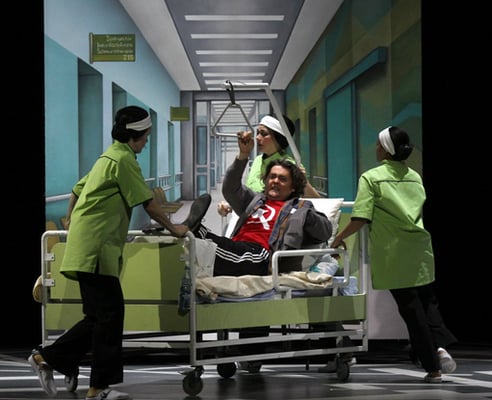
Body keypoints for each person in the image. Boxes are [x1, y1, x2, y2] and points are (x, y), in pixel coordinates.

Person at [28, 105, 211, 400]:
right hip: (96, 249)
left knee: (98, 317)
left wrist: (71, 218)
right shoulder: (124, 160)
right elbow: (149, 204)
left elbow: (77, 189)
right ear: (136, 135)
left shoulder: (107, 157)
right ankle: (94, 385)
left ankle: (50, 358)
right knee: (110, 316)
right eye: (146, 136)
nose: (147, 142)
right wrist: (175, 228)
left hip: (85, 247)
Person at [330, 125, 457, 383]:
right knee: (428, 303)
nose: (376, 148)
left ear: (386, 149)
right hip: (420, 248)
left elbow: (361, 217)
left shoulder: (371, 178)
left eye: (379, 144)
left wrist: (338, 237)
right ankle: (440, 347)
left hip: (394, 253)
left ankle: (433, 367)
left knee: (412, 311)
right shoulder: (415, 177)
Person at [195, 157, 332, 276]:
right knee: (207, 243)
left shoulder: (300, 208)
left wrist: (303, 216)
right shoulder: (254, 201)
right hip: (237, 247)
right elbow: (230, 189)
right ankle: (195, 230)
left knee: (210, 248)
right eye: (272, 177)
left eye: (282, 179)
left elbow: (325, 231)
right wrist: (242, 157)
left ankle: (195, 231)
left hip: (261, 256)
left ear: (293, 188)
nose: (275, 181)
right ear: (266, 181)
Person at [217, 114, 320, 217]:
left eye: (264, 134)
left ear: (279, 138)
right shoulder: (257, 160)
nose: (257, 137)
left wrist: (303, 181)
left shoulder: (291, 165)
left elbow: (316, 202)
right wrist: (231, 205)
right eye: (258, 133)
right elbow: (249, 195)